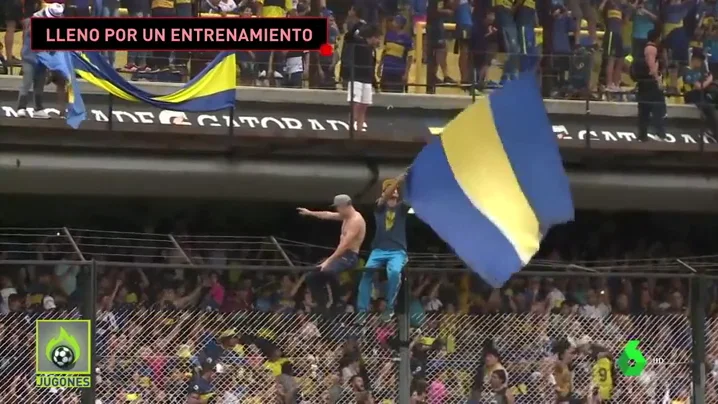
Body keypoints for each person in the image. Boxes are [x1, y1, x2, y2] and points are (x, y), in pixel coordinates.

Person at [297, 194, 367, 311]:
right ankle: (322, 302)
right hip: (341, 255)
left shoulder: (355, 221)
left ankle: (338, 299)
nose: (337, 210)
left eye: (338, 207)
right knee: (311, 276)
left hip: (350, 256)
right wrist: (310, 213)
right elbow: (327, 215)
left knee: (328, 270)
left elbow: (344, 245)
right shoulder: (346, 216)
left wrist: (328, 260)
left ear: (345, 206)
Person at [357, 174, 410, 323]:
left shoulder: (402, 207)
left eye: (395, 189)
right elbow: (383, 199)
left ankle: (389, 307)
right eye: (388, 189)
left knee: (393, 273)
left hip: (397, 251)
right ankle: (362, 311)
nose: (393, 191)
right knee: (366, 274)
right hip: (378, 250)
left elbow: (413, 198)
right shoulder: (379, 206)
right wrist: (398, 180)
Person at [16, 3, 65, 119]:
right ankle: (21, 108)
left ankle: (38, 109)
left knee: (39, 85)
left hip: (43, 60)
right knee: (26, 83)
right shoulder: (35, 20)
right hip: (30, 57)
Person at [345, 24, 382, 132]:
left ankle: (360, 130)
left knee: (364, 106)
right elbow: (349, 36)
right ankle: (351, 128)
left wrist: (375, 84)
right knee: (355, 105)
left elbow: (371, 68)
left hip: (367, 81)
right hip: (356, 78)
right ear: (372, 37)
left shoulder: (372, 51)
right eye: (377, 38)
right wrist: (358, 24)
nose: (379, 40)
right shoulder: (359, 44)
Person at [632, 29, 666, 142]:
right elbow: (652, 69)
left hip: (643, 83)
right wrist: (659, 82)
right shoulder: (651, 49)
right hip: (650, 84)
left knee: (644, 111)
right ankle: (659, 134)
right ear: (657, 38)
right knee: (658, 109)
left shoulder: (642, 48)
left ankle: (642, 136)